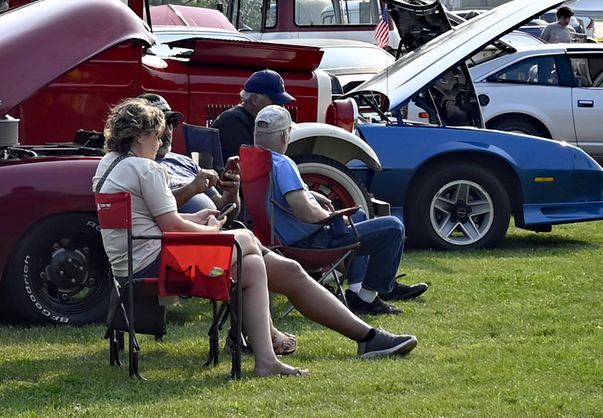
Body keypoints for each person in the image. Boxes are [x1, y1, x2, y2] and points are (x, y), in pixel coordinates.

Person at [94, 98, 415, 375]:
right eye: (156, 136)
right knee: (246, 241)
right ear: (139, 136)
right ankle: (275, 351)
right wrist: (209, 229)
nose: (160, 142)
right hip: (158, 263)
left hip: (139, 260)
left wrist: (200, 217)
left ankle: (285, 351)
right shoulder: (144, 168)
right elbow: (171, 228)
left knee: (261, 265)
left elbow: (148, 222)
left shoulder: (109, 166)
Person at [253, 105, 427, 316]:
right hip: (307, 245)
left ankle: (356, 287)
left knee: (360, 216)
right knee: (393, 227)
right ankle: (367, 299)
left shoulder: (252, 160)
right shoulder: (283, 164)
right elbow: (305, 213)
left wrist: (314, 196)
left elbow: (279, 197)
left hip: (276, 239)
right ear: (283, 137)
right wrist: (333, 218)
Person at [211, 69, 295, 168]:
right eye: (276, 103)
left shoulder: (246, 119)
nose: (281, 108)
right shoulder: (234, 121)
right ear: (255, 99)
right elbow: (245, 167)